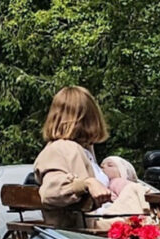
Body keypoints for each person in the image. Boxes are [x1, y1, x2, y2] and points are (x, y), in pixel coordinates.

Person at [35, 87, 114, 223]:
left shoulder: (84, 149)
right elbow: (50, 191)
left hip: (98, 231)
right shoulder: (60, 148)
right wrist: (87, 183)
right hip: (82, 237)